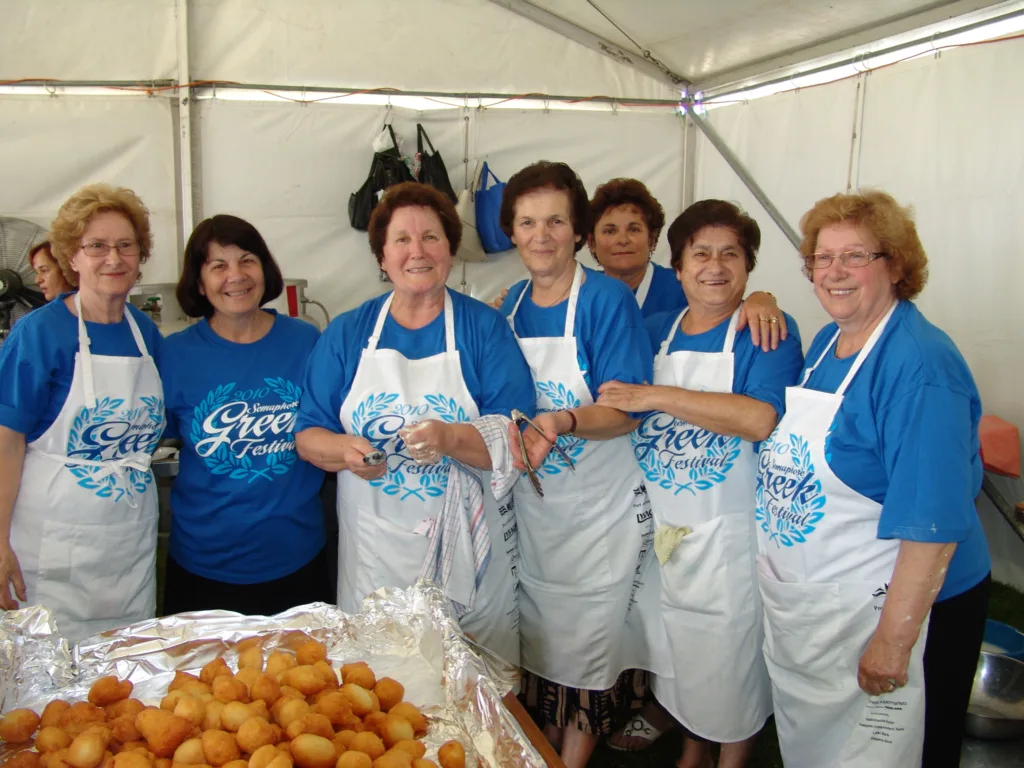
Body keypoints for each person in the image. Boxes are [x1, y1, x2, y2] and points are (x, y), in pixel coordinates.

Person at [755, 190, 991, 768]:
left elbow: (933, 525)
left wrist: (894, 640)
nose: (834, 272)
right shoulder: (828, 345)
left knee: (901, 750)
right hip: (836, 601)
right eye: (821, 257)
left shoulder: (920, 367)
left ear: (897, 266)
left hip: (912, 607)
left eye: (855, 256)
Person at [597, 200, 804, 768]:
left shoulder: (765, 332)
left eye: (730, 254)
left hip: (731, 529)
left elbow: (759, 418)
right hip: (665, 527)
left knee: (732, 649)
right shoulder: (655, 330)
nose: (715, 266)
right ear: (679, 266)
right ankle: (692, 750)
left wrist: (654, 396)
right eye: (701, 254)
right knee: (678, 648)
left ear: (748, 267)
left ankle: (733, 759)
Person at [295, 182, 534, 663]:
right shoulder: (348, 332)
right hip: (374, 553)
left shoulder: (483, 329)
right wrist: (345, 451)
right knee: (379, 691)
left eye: (431, 237)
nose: (416, 251)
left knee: (473, 688)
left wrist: (450, 438)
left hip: (469, 552)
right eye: (401, 239)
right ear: (381, 256)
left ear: (450, 248)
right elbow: (308, 436)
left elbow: (519, 441)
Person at [497, 161, 670, 768]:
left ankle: (572, 758)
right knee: (540, 636)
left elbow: (624, 411)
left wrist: (564, 419)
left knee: (588, 641)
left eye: (555, 221)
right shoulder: (507, 307)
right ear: (511, 233)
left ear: (577, 232)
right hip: (533, 507)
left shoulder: (605, 299)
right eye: (526, 222)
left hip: (597, 507)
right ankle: (541, 744)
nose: (540, 234)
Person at [0, 184, 165, 643]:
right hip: (53, 551)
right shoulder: (39, 333)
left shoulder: (145, 334)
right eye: (96, 246)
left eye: (125, 245)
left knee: (126, 681)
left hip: (127, 547)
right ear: (71, 257)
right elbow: (6, 442)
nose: (113, 258)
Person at [159, 214, 329, 616]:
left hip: (297, 558)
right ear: (199, 283)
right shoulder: (175, 354)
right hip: (204, 566)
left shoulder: (306, 340)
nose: (235, 275)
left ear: (264, 269)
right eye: (218, 265)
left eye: (246, 260)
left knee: (305, 678)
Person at [587, 178, 785, 351]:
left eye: (634, 229)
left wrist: (762, 298)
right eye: (610, 231)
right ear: (591, 242)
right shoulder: (582, 293)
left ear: (653, 239)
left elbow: (729, 304)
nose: (623, 240)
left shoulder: (686, 285)